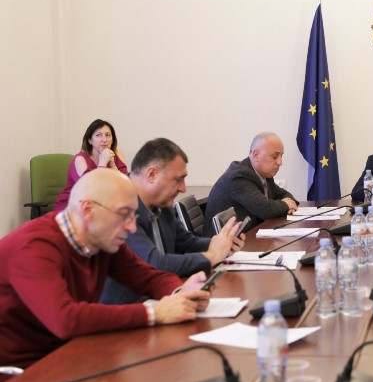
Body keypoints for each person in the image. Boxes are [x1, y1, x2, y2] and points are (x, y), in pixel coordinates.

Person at [0, 170, 215, 369]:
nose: (131, 227)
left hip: (71, 352)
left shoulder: (100, 239)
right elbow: (65, 319)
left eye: (133, 216)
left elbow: (148, 277)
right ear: (88, 210)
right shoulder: (34, 248)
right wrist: (154, 312)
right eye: (124, 214)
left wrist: (181, 293)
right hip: (23, 368)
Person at [100, 138, 244, 305]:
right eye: (177, 180)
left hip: (160, 297)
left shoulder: (161, 202)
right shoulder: (121, 206)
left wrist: (220, 243)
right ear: (152, 174)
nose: (183, 188)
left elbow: (185, 243)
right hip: (128, 307)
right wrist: (211, 256)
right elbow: (154, 263)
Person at [204, 132, 299, 235]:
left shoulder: (265, 174)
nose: (280, 162)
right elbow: (264, 209)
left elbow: (284, 195)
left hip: (247, 235)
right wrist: (286, 205)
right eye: (275, 156)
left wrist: (289, 204)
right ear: (256, 155)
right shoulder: (239, 176)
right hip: (223, 242)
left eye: (281, 156)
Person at [54, 119, 128, 211]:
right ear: (90, 140)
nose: (104, 140)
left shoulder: (117, 154)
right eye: (98, 135)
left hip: (102, 205)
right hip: (74, 206)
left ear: (112, 139)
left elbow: (124, 187)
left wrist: (112, 164)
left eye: (108, 135)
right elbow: (91, 191)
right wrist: (102, 163)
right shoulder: (80, 159)